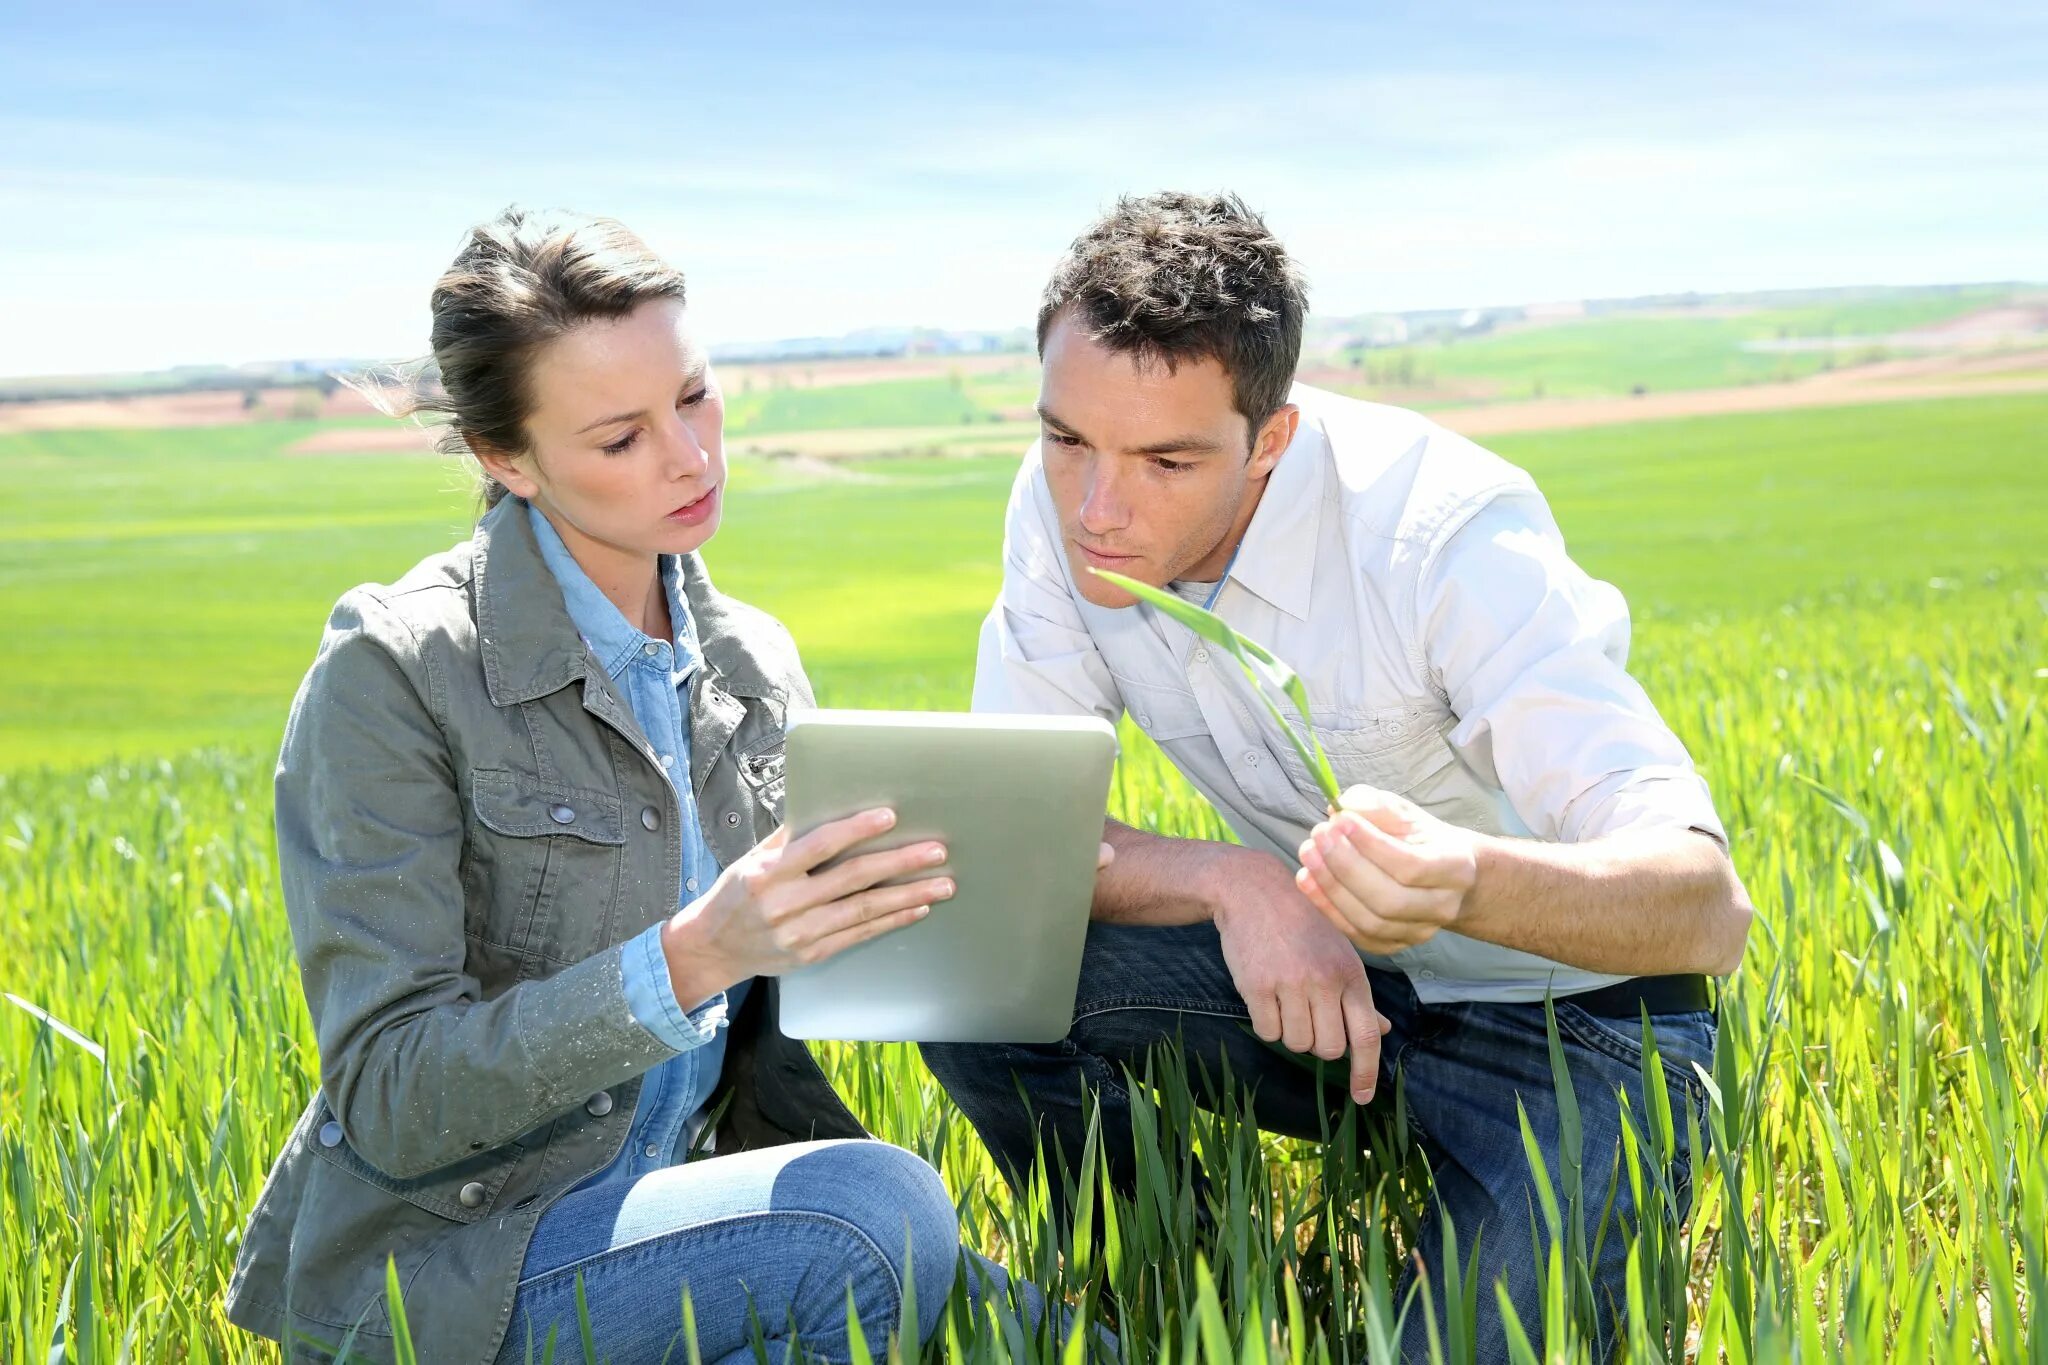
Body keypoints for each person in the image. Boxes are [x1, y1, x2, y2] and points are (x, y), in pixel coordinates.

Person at [921, 192, 1753, 1362]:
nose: (1094, 510)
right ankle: (1184, 1309)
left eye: (1164, 460)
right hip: (1324, 999)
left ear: (1271, 439)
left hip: (1576, 1033)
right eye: (1066, 441)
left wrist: (1461, 881)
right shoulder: (1065, 503)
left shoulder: (1446, 538)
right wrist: (1237, 884)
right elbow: (1012, 829)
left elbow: (1703, 909)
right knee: (974, 970)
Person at [225, 208, 1023, 1365]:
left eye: (693, 398)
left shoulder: (753, 664)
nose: (689, 457)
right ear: (506, 459)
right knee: (872, 1220)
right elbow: (391, 1096)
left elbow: (781, 1027)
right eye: (620, 438)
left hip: (665, 1225)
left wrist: (939, 905)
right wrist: (695, 953)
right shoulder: (395, 671)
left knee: (1058, 1333)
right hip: (454, 1274)